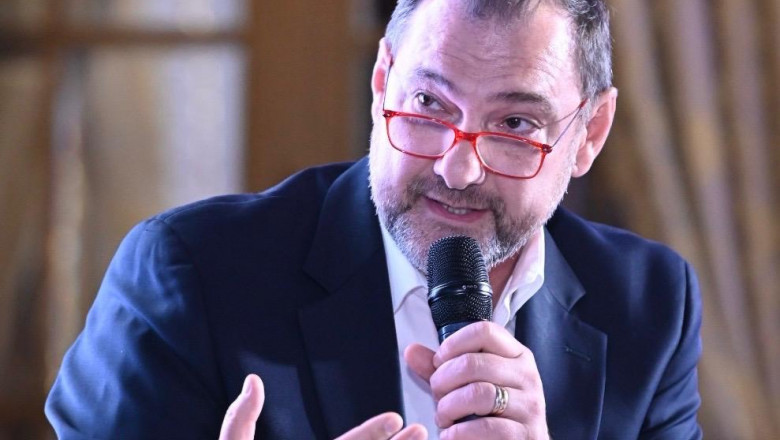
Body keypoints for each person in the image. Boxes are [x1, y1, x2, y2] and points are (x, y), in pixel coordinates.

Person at [45, 0, 703, 438]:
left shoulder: (649, 307)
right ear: (382, 80)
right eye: (429, 104)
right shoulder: (187, 276)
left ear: (590, 133)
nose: (457, 168)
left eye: (514, 124)